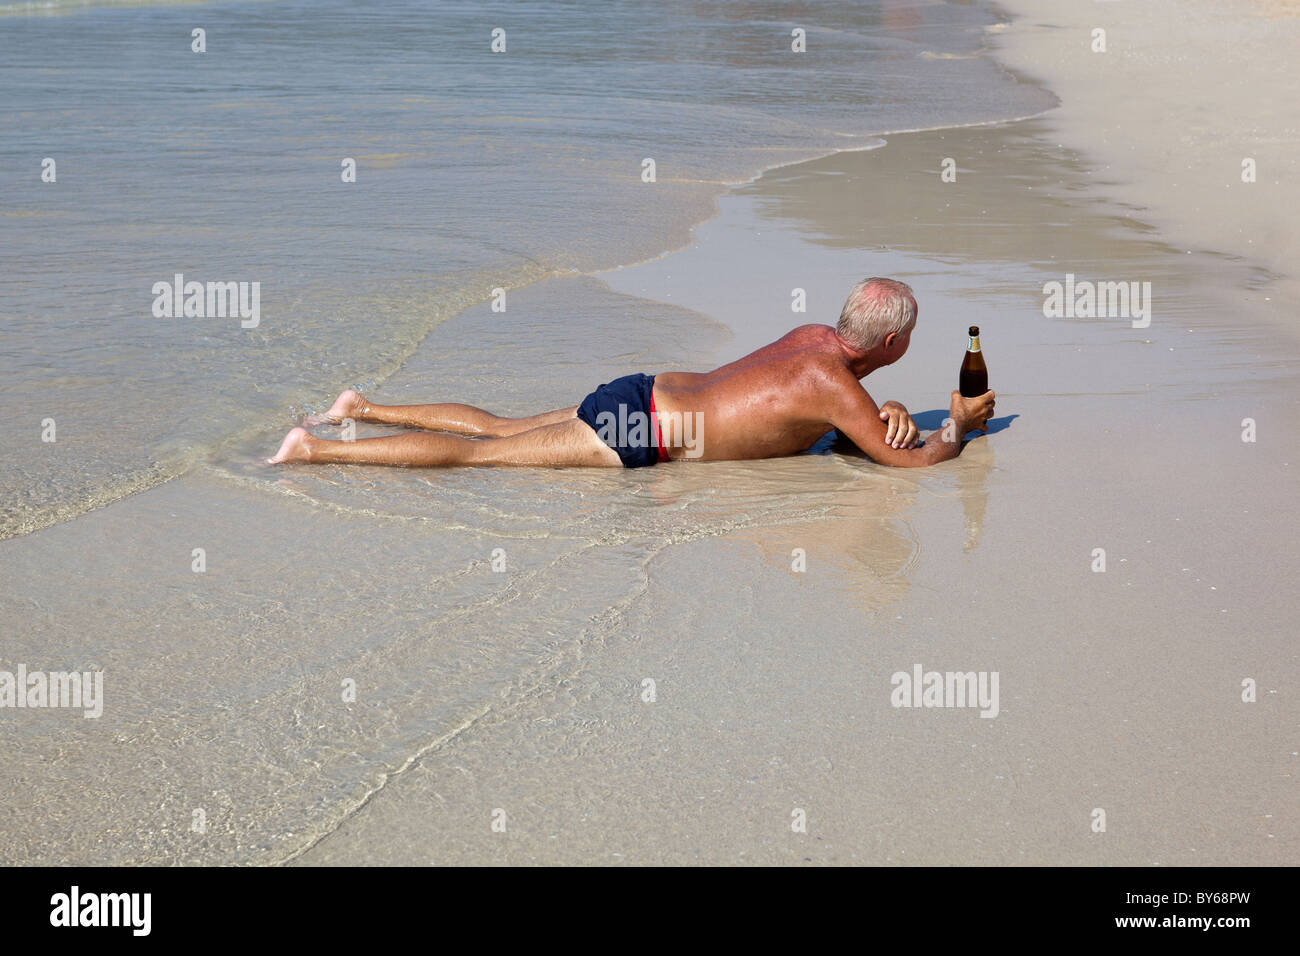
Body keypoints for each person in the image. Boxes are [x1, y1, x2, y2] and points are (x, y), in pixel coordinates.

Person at [267, 277, 995, 469]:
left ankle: (362, 406)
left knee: (499, 427)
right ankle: (318, 450)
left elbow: (808, 410)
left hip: (640, 390)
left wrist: (886, 404)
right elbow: (907, 466)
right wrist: (955, 429)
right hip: (642, 431)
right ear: (894, 342)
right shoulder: (837, 387)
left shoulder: (812, 341)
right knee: (480, 457)